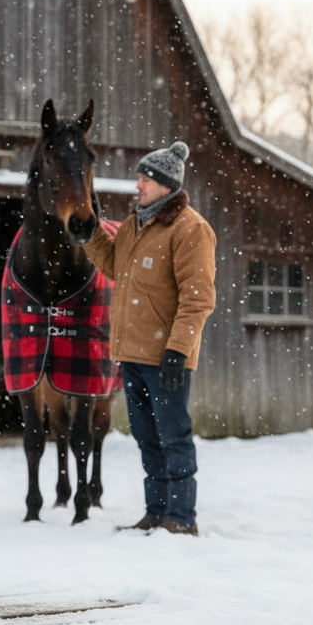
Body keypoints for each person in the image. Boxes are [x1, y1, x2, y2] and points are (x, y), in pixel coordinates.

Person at [85, 141, 216, 535]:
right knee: (147, 438)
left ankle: (181, 518)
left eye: (145, 179)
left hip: (166, 357)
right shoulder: (133, 225)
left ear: (166, 185)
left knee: (173, 437)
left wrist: (177, 350)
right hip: (132, 354)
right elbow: (115, 266)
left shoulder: (191, 229)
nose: (137, 185)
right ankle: (156, 512)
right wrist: (91, 233)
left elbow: (198, 298)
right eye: (138, 178)